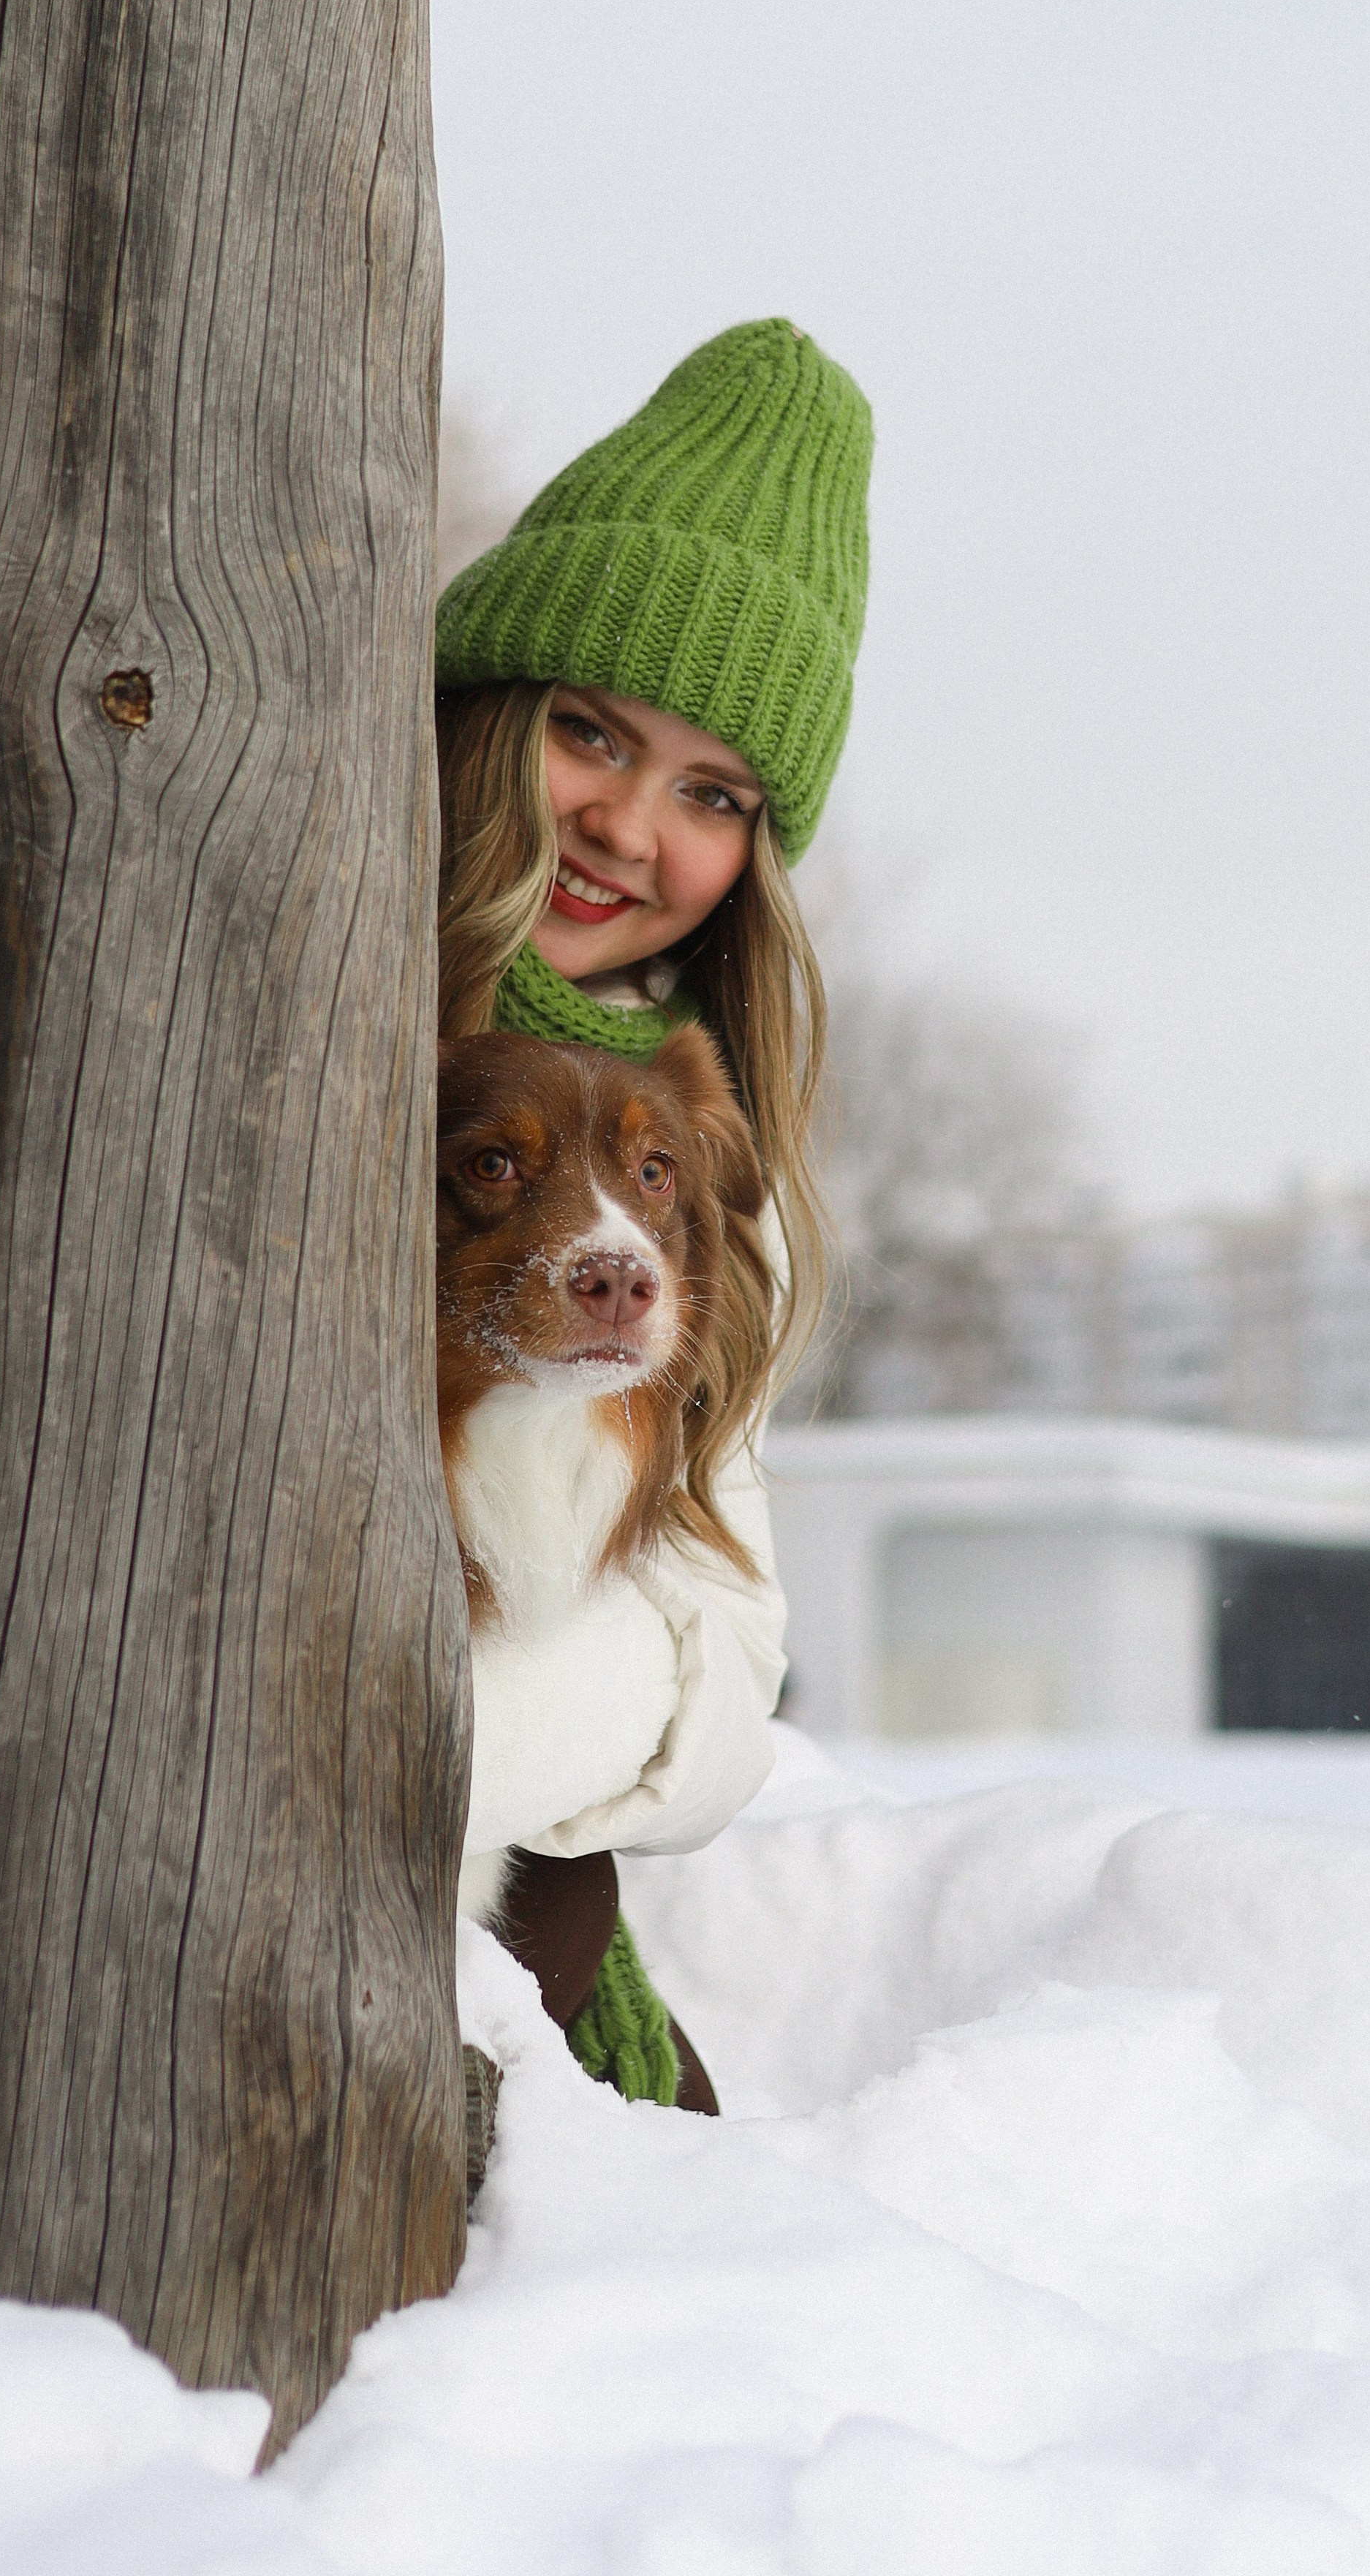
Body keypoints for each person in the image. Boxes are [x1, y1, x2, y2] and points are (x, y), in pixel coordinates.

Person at [435, 318, 873, 2107]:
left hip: (506, 1885)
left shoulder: (697, 1174)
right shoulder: (294, 1009)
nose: (625, 823)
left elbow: (727, 1674)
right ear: (488, 713)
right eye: (588, 733)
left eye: (711, 793)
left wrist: (484, 1738)